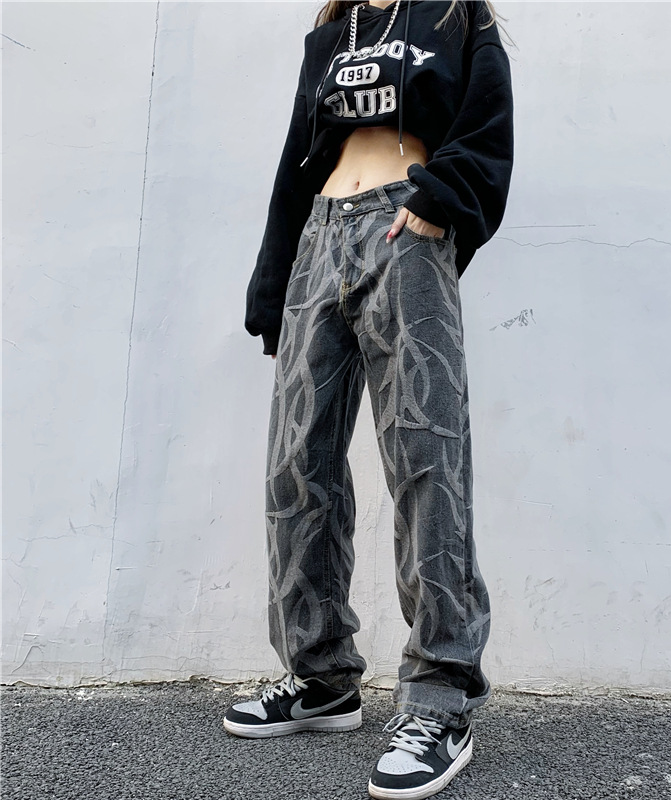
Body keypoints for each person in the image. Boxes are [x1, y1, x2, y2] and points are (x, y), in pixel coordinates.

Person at [224, 2, 513, 798]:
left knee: (426, 458)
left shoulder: (455, 15)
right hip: (320, 240)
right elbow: (297, 160)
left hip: (404, 234)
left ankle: (440, 698)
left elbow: (488, 122)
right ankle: (320, 677)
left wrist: (441, 200)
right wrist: (272, 283)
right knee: (297, 466)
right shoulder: (334, 29)